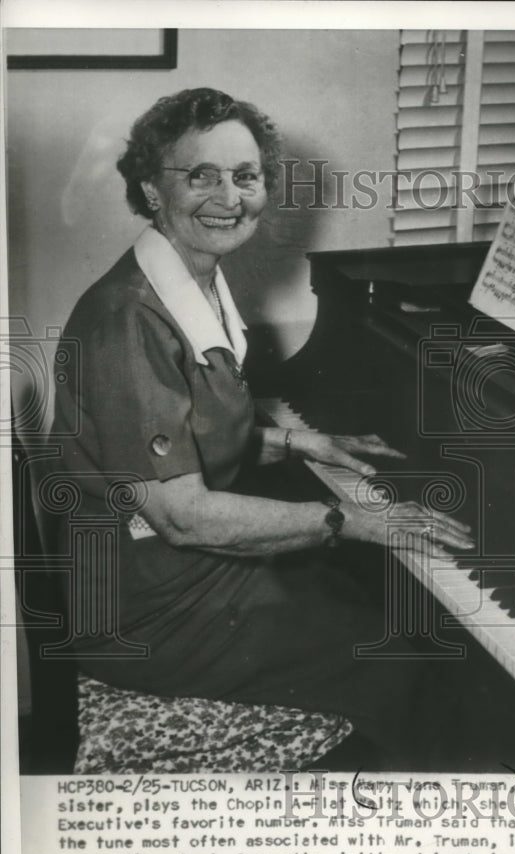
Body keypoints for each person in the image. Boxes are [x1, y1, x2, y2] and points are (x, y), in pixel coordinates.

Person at [50, 87, 474, 769]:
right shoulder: (127, 319)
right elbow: (183, 516)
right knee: (398, 651)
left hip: (170, 570)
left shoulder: (188, 282)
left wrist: (295, 441)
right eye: (200, 175)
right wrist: (348, 520)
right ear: (151, 190)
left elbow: (186, 432)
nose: (229, 196)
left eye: (245, 176)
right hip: (148, 607)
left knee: (365, 601)